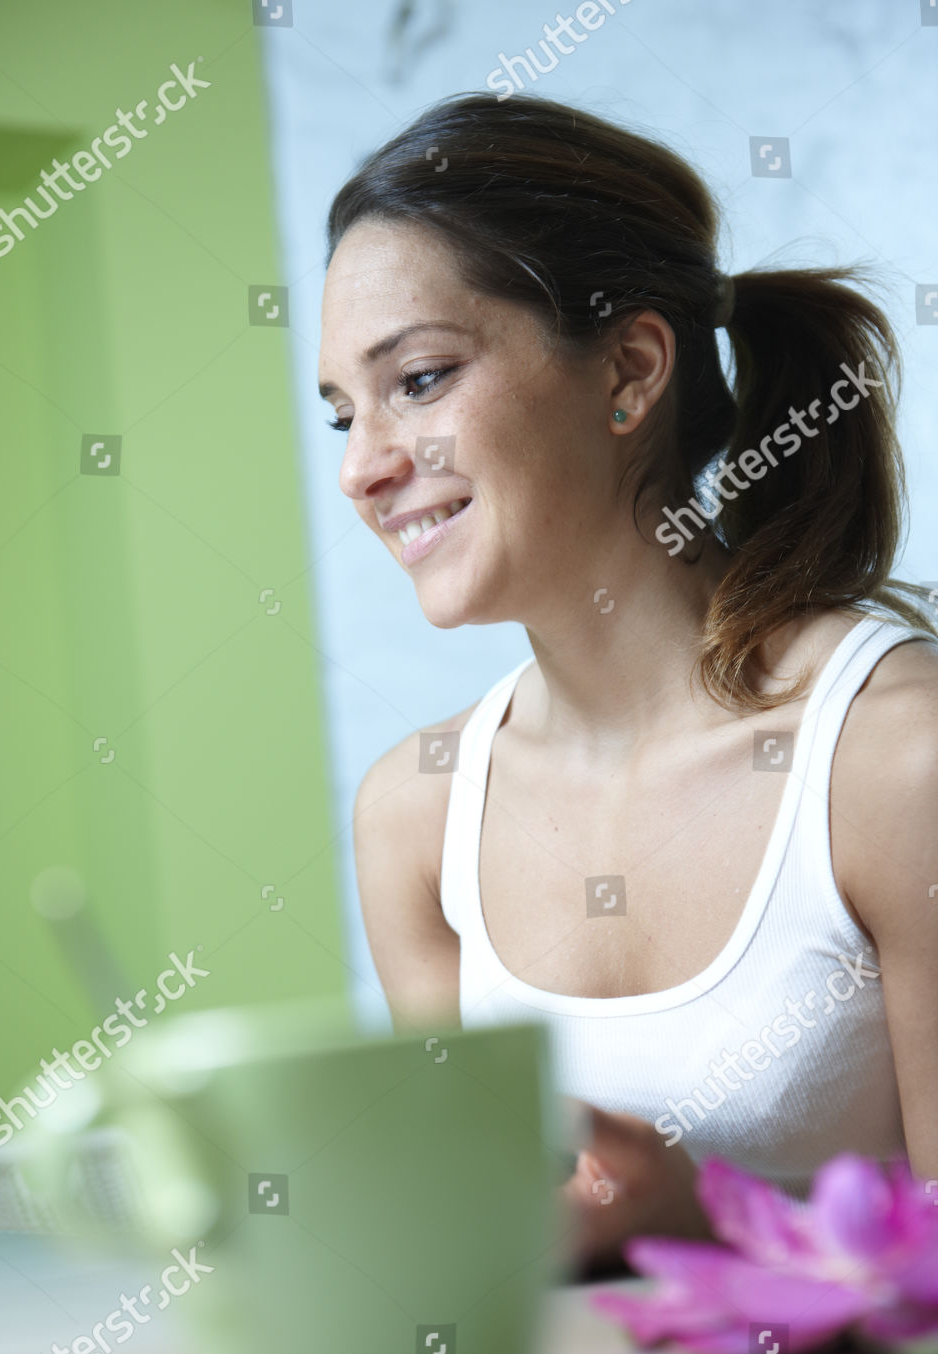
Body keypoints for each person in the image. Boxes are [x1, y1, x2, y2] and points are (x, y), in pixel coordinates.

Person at [318, 91, 938, 1271]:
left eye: (419, 380)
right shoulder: (416, 816)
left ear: (631, 368)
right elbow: (478, 1264)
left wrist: (700, 1218)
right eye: (342, 411)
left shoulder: (895, 760)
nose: (363, 467)